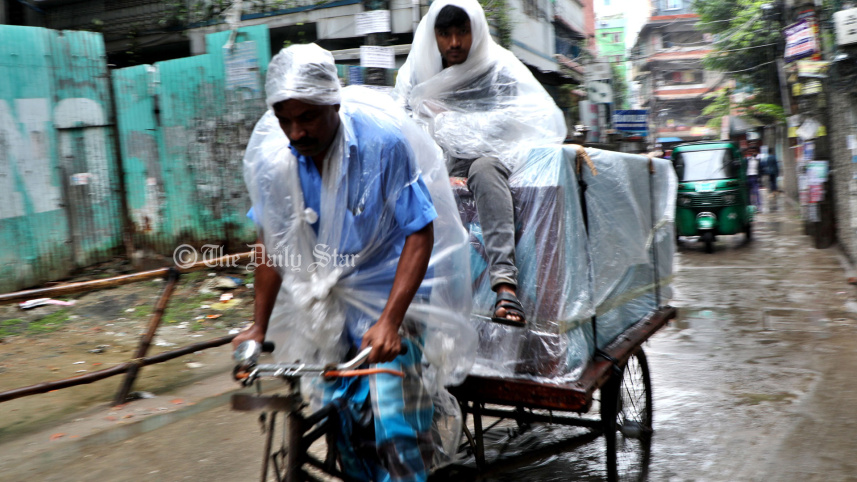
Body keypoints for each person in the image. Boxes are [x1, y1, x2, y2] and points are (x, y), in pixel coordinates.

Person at [234, 44, 474, 481]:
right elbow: (270, 245)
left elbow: (419, 233)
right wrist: (258, 326)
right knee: (345, 432)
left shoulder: (382, 145)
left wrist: (390, 321)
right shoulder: (274, 163)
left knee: (394, 431)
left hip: (394, 306)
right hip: (327, 311)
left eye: (307, 117)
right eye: (285, 120)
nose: (296, 132)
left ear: (333, 103)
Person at [392, 0, 567, 327]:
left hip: (491, 157)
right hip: (441, 160)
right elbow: (403, 120)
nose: (454, 43)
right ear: (434, 36)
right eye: (445, 34)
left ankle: (504, 285)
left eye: (462, 32)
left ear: (477, 31)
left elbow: (510, 123)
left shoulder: (499, 68)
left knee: (484, 169)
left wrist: (446, 122)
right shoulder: (420, 70)